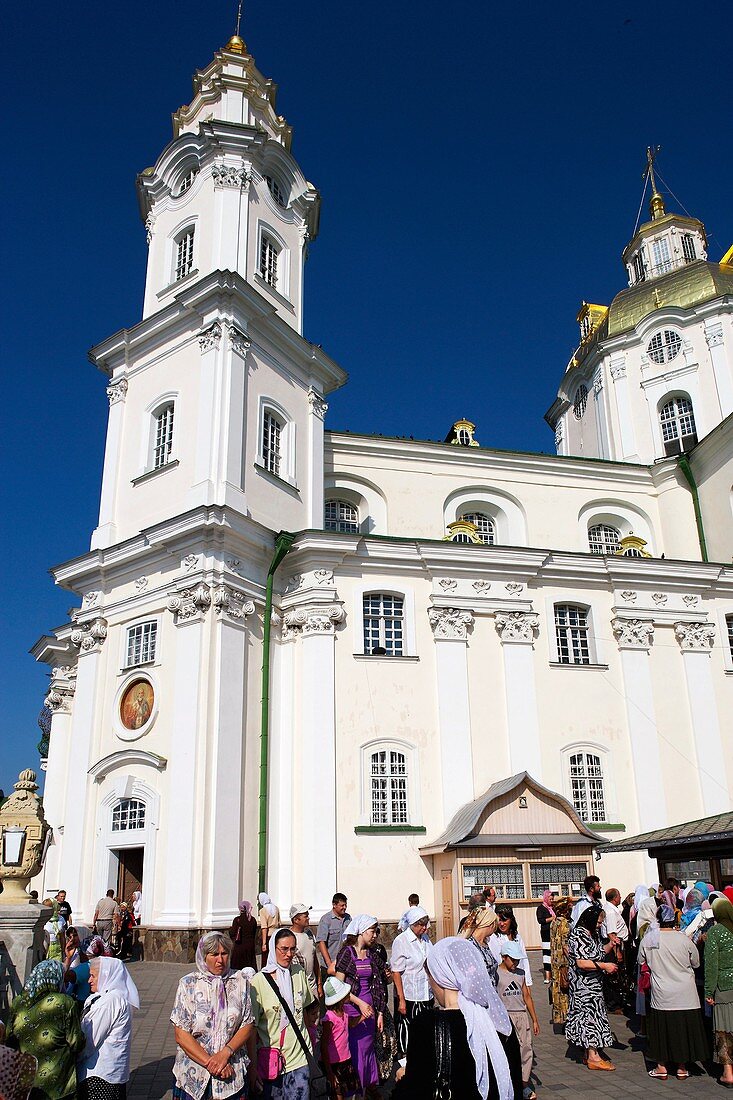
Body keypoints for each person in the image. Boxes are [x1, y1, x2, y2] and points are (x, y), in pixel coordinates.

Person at [392, 936, 523, 1099]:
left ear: (440, 976)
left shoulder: (427, 1025)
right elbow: (514, 1082)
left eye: (430, 976)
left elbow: (416, 1090)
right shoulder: (500, 1021)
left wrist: (403, 1077)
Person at [171, 931, 253, 1100]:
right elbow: (181, 1034)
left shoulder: (240, 981)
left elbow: (247, 1024)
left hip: (232, 1074)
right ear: (203, 955)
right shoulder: (189, 984)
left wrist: (225, 1054)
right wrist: (213, 1063)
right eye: (214, 954)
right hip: (194, 1075)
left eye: (224, 954)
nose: (220, 960)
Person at [639, 904, 708, 1080]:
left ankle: (661, 1066)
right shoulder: (683, 939)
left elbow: (641, 961)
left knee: (662, 1030)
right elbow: (696, 962)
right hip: (685, 993)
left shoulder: (649, 940)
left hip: (662, 993)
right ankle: (682, 1067)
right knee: (683, 1030)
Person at [5, 959, 85, 1100]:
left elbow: (8, 1039)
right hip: (57, 1084)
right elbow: (76, 1043)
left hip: (25, 1082)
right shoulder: (64, 1003)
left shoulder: (19, 1002)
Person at [250, 927, 315, 1099]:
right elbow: (252, 1028)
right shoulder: (258, 981)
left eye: (292, 949)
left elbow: (307, 1009)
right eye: (284, 949)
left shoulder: (299, 972)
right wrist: (253, 1066)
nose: (288, 954)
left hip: (299, 1058)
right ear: (274, 948)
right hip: (272, 1061)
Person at [335, 915, 389, 1099]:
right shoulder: (346, 953)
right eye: (372, 931)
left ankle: (365, 1091)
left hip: (370, 1011)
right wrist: (359, 1003)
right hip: (353, 1010)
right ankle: (353, 1092)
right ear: (361, 931)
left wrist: (380, 1012)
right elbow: (338, 987)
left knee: (367, 1051)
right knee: (354, 1052)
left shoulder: (372, 954)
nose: (375, 935)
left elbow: (380, 983)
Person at [78, 957, 140, 1100]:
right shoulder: (106, 997)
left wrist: (74, 1057)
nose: (89, 980)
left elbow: (90, 1040)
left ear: (106, 975)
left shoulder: (110, 1001)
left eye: (93, 976)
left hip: (100, 1075)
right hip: (106, 1074)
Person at [565, 903, 618, 1070]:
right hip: (584, 987)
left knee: (593, 1017)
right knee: (588, 1019)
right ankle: (593, 1056)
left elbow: (598, 953)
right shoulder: (578, 935)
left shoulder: (591, 934)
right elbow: (581, 962)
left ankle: (590, 1052)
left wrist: (611, 944)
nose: (600, 926)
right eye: (598, 922)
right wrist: (604, 966)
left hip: (594, 985)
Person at [497, 941, 540, 1100]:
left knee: (526, 1048)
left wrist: (534, 1019)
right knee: (507, 1051)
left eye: (517, 960)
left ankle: (523, 1084)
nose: (515, 963)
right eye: (512, 959)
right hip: (505, 1017)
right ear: (504, 957)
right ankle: (508, 1082)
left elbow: (527, 997)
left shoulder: (520, 973)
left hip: (521, 1015)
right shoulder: (496, 973)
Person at [390, 906, 432, 1056]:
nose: (425, 928)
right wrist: (401, 999)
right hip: (410, 995)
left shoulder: (425, 939)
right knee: (409, 1030)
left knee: (425, 1030)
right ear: (413, 924)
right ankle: (407, 1062)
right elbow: (396, 972)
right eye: (421, 925)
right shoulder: (402, 941)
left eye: (426, 924)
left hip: (426, 993)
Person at [705, 895, 733, 1087]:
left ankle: (728, 1072)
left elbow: (711, 965)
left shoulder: (715, 932)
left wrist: (708, 991)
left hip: (723, 988)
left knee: (724, 1031)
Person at [320, 976, 361, 1100]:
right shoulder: (329, 1019)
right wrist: (330, 1073)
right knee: (337, 1094)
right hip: (333, 1064)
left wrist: (364, 1015)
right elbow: (323, 1045)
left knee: (349, 1091)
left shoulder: (344, 1012)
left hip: (345, 1060)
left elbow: (351, 1023)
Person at [602, 887, 629, 1013]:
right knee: (613, 975)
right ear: (614, 898)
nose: (620, 898)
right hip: (613, 945)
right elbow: (612, 933)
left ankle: (616, 1002)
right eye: (619, 896)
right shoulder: (611, 912)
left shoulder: (611, 909)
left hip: (615, 944)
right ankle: (614, 1004)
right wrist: (616, 951)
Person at [492, 907, 533, 988]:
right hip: (503, 981)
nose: (501, 924)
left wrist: (527, 982)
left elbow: (524, 960)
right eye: (499, 920)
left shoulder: (516, 936)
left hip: (519, 977)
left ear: (511, 920)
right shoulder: (493, 937)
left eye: (504, 920)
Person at [289, 903, 322, 999]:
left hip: (312, 986)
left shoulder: (309, 934)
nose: (308, 918)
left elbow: (314, 959)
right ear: (296, 920)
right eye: (305, 916)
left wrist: (319, 984)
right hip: (297, 988)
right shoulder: (289, 936)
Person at [549, 897, 572, 1029]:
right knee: (565, 990)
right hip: (564, 962)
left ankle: (560, 1016)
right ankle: (567, 1018)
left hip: (555, 961)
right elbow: (565, 945)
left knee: (557, 988)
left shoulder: (554, 922)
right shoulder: (564, 923)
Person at [315, 893, 351, 976]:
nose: (344, 907)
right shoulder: (326, 920)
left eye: (346, 905)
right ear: (334, 905)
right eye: (342, 905)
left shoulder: (348, 918)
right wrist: (329, 964)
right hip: (330, 965)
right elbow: (321, 942)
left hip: (344, 965)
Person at [228, 900, 258, 972]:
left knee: (238, 967)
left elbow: (232, 933)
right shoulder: (253, 920)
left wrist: (230, 929)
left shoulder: (237, 920)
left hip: (239, 946)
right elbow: (254, 933)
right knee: (249, 966)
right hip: (250, 946)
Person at [535, 891, 554, 984]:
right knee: (547, 954)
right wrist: (552, 918)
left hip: (554, 934)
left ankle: (554, 974)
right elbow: (541, 920)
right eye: (550, 899)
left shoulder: (552, 908)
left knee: (554, 954)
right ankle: (547, 975)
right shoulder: (541, 908)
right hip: (546, 933)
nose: (551, 901)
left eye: (552, 899)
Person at [258, 893, 281, 967]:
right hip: (277, 934)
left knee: (266, 958)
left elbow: (264, 927)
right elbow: (279, 923)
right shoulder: (276, 908)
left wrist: (264, 943)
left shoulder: (263, 911)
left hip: (268, 936)